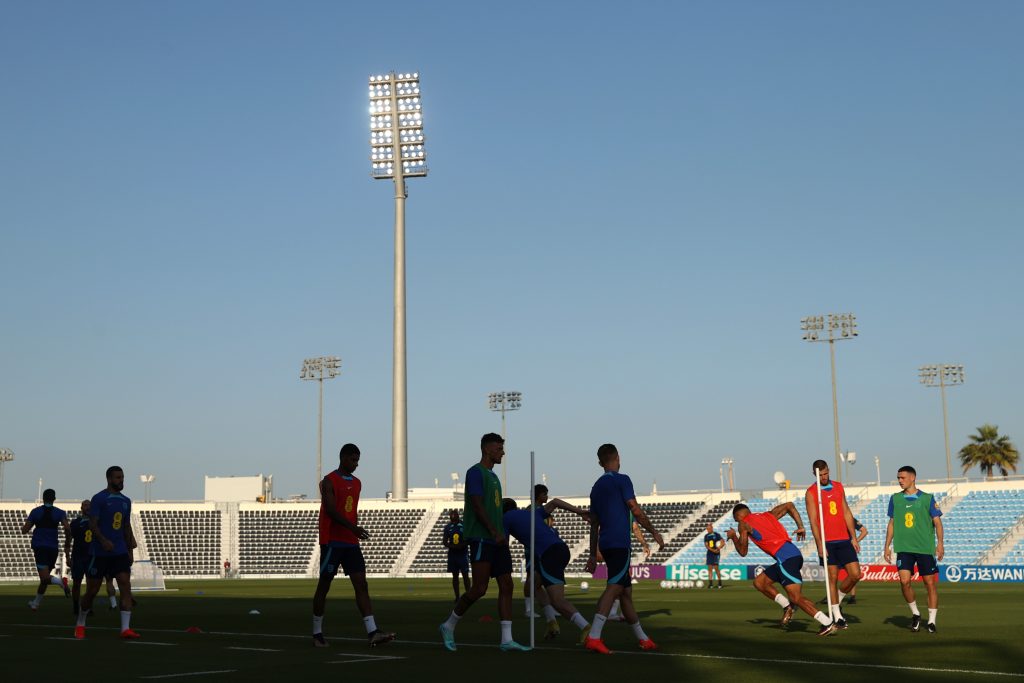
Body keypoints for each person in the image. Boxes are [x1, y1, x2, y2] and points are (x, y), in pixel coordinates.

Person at [439, 433, 529, 652]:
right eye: (499, 449)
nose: (503, 453)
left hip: (496, 540)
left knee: (507, 585)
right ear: (487, 449)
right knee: (479, 588)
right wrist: (492, 531)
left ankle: (506, 640)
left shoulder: (494, 477)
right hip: (481, 538)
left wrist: (501, 535)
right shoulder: (475, 473)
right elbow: (477, 506)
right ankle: (448, 625)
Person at [583, 443, 664, 655]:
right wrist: (654, 532)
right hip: (620, 543)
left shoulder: (596, 487)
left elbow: (594, 523)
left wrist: (593, 554)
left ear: (600, 463)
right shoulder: (623, 479)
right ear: (618, 457)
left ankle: (643, 638)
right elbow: (635, 509)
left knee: (626, 592)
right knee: (615, 587)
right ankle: (594, 636)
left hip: (606, 543)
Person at [312, 443, 396, 648]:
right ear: (342, 458)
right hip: (332, 540)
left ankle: (373, 632)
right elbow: (331, 511)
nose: (356, 464)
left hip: (350, 541)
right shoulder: (328, 481)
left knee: (361, 584)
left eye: (358, 460)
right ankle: (317, 633)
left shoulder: (357, 483)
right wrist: (354, 527)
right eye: (353, 460)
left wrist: (353, 531)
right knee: (324, 585)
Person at [727, 502, 837, 637]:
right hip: (792, 555)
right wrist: (800, 526)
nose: (736, 522)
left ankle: (827, 623)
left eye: (735, 519)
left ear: (738, 516)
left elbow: (743, 552)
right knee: (760, 583)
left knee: (796, 597)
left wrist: (733, 536)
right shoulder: (768, 515)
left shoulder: (743, 524)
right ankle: (787, 606)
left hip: (786, 559)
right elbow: (789, 505)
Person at [502, 497, 591, 641]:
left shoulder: (505, 518)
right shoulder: (531, 513)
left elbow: (503, 544)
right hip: (559, 549)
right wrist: (580, 512)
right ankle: (552, 623)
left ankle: (587, 629)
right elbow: (555, 501)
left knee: (557, 600)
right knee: (533, 585)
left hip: (549, 553)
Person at [75, 466, 139, 639]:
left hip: (119, 552)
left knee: (125, 585)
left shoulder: (126, 500)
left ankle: (125, 629)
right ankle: (81, 623)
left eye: (122, 477)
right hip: (99, 553)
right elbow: (92, 524)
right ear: (109, 479)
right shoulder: (99, 498)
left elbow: (126, 526)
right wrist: (103, 541)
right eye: (118, 477)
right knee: (92, 590)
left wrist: (130, 550)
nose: (121, 480)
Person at [883, 465, 944, 633]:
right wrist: (887, 545)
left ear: (912, 478)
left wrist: (940, 543)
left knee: (929, 584)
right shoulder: (895, 499)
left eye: (902, 478)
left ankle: (931, 621)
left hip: (925, 548)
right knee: (904, 582)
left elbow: (937, 523)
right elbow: (892, 523)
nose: (899, 481)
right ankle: (916, 614)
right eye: (898, 478)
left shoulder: (928, 498)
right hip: (904, 547)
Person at [805, 460, 861, 629]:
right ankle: (837, 615)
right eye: (820, 474)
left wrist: (853, 536)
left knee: (855, 575)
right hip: (827, 541)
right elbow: (813, 521)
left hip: (844, 539)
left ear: (829, 471)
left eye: (826, 473)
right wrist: (819, 544)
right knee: (833, 578)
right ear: (815, 474)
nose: (824, 477)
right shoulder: (811, 492)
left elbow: (846, 511)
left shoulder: (838, 486)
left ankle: (837, 598)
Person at [66, 500, 120, 614]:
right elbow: (68, 540)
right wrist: (67, 556)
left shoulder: (97, 523)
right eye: (85, 505)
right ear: (81, 507)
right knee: (77, 583)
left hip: (93, 557)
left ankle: (88, 607)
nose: (87, 507)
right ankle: (76, 606)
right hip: (78, 557)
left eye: (89, 505)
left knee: (91, 585)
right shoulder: (75, 523)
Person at [22, 488, 71, 610]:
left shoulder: (35, 512)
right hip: (53, 548)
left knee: (44, 577)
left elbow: (24, 530)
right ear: (54, 499)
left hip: (40, 547)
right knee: (45, 579)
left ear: (43, 498)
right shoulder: (60, 512)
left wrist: (31, 525)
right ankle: (35, 603)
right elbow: (68, 528)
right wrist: (67, 543)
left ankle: (61, 582)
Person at [442, 510, 470, 601]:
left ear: (458, 517)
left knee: (465, 575)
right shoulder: (447, 527)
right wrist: (452, 546)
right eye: (452, 519)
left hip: (462, 554)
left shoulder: (464, 525)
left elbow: (468, 539)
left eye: (455, 519)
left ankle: (468, 595)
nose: (453, 521)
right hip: (452, 555)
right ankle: (457, 597)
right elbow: (445, 541)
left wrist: (462, 545)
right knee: (455, 576)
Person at [704, 523, 724, 589]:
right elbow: (706, 545)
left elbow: (723, 542)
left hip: (716, 553)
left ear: (712, 528)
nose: (708, 530)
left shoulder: (717, 535)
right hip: (710, 553)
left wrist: (718, 548)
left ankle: (720, 583)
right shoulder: (706, 536)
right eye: (707, 529)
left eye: (709, 529)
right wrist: (713, 550)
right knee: (709, 568)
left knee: (716, 568)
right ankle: (711, 584)